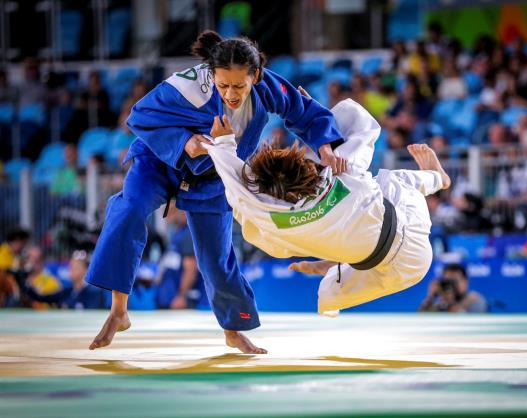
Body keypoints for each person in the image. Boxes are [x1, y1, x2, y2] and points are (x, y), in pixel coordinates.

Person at [85, 30, 345, 354]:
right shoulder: (187, 86)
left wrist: (325, 146)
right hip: (159, 160)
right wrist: (184, 142)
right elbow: (140, 116)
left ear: (257, 75)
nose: (231, 93)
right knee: (129, 209)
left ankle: (234, 329)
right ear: (212, 74)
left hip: (212, 176)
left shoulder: (267, 87)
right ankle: (119, 310)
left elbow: (303, 109)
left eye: (239, 85)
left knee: (216, 256)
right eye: (223, 85)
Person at [203, 98, 450, 315]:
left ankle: (338, 260)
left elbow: (234, 184)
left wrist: (224, 143)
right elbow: (362, 126)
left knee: (328, 296)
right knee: (397, 182)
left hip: (394, 263)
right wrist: (316, 118)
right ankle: (437, 178)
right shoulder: (338, 174)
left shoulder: (270, 217)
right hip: (411, 248)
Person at [419, 263, 487, 313]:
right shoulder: (441, 303)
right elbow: (422, 318)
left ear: (465, 282)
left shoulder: (475, 300)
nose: (451, 285)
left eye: (454, 281)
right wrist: (431, 296)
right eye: (447, 281)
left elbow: (466, 323)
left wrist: (451, 302)